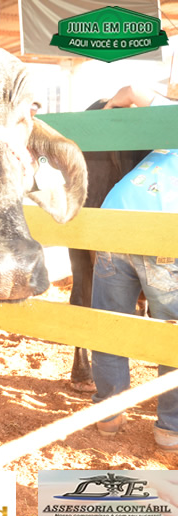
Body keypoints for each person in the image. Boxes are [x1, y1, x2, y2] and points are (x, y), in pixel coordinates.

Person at [91, 84, 178, 452]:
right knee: (172, 336)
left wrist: (109, 113)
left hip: (115, 220)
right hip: (164, 236)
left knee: (109, 324)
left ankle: (108, 415)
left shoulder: (172, 115)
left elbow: (130, 91)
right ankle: (171, 428)